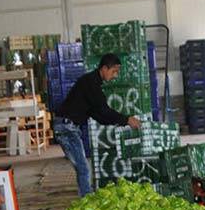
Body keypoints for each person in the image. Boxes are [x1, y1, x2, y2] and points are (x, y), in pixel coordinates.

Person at [53, 53, 143, 197]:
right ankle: (87, 201)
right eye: (114, 71)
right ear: (104, 68)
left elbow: (99, 115)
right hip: (66, 128)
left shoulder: (92, 84)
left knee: (82, 167)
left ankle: (86, 198)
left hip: (69, 127)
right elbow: (103, 110)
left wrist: (120, 122)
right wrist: (126, 119)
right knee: (83, 168)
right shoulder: (90, 83)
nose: (115, 76)